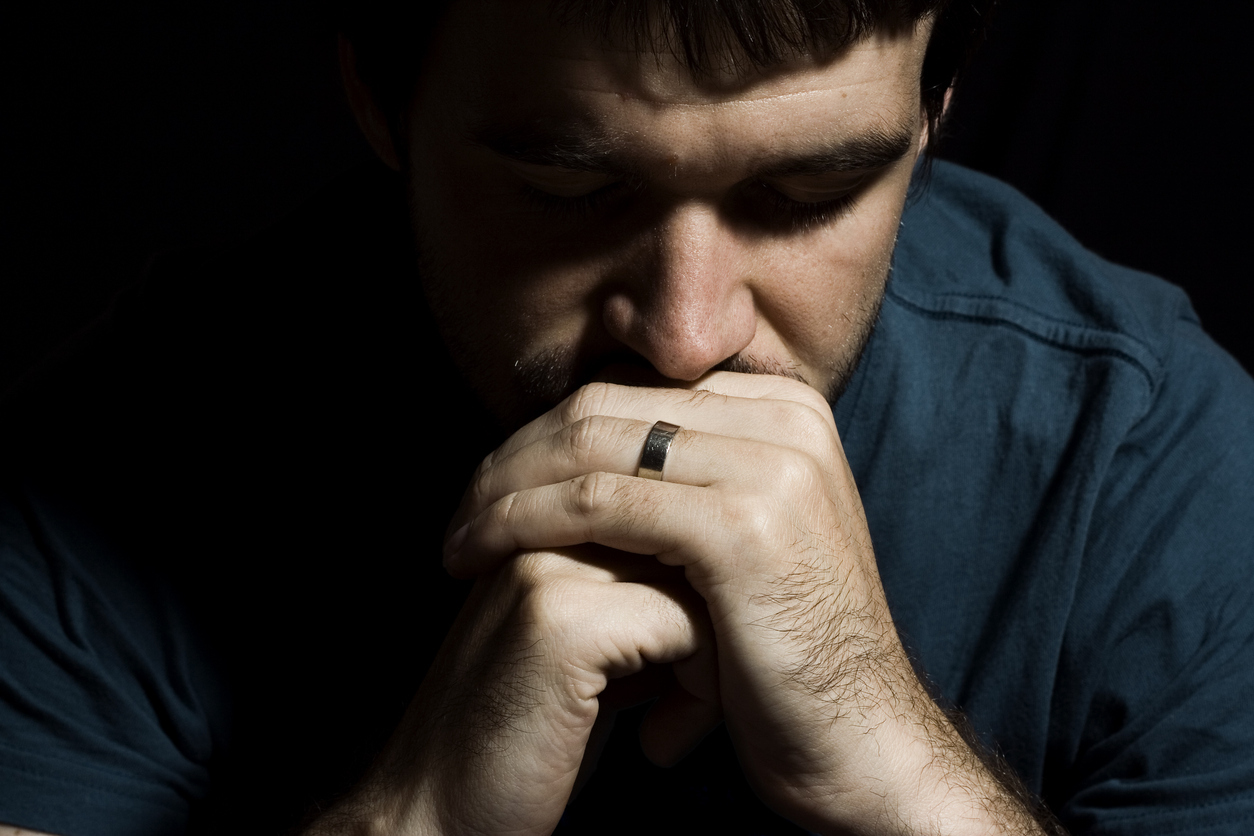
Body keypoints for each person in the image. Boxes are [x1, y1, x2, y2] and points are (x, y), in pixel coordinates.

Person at [2, 1, 1252, 834]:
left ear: (933, 115)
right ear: (383, 106)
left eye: (812, 191)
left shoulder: (1155, 456)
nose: (686, 332)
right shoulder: (109, 460)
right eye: (568, 189)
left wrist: (899, 771)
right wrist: (420, 815)